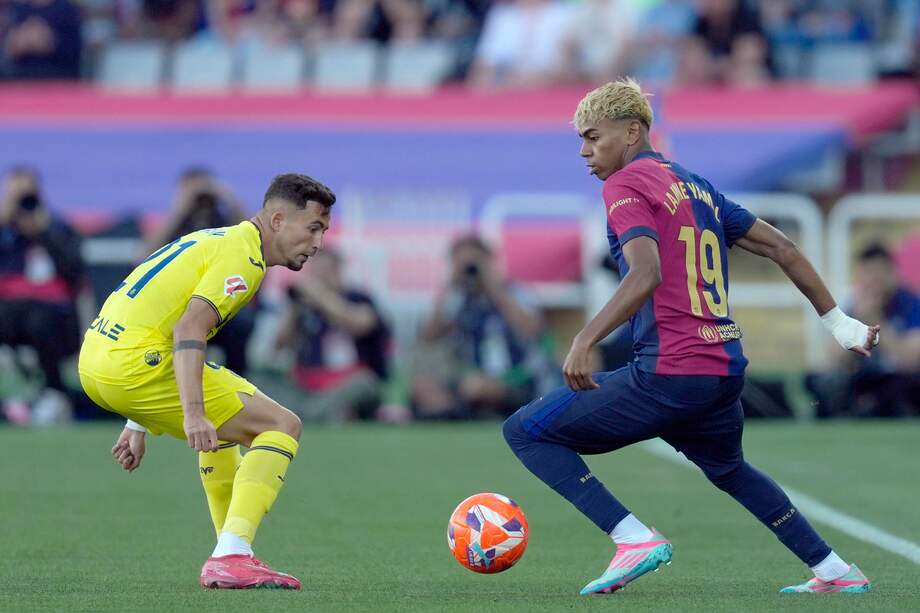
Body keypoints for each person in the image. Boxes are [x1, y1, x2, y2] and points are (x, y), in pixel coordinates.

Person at [502, 78, 879, 596]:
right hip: (722, 368)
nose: (585, 152)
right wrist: (840, 324)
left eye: (593, 137)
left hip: (671, 369)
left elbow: (645, 273)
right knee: (729, 470)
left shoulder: (625, 185)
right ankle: (836, 570)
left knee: (526, 430)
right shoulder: (698, 187)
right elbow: (783, 247)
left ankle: (632, 538)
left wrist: (584, 338)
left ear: (632, 131)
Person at [78, 173, 336, 590]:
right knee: (281, 424)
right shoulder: (244, 259)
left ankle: (231, 553)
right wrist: (194, 413)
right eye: (313, 228)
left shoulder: (216, 239)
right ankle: (232, 554)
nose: (318, 243)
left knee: (233, 417)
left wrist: (136, 420)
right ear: (276, 220)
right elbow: (188, 328)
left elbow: (155, 309)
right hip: (135, 364)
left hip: (96, 358)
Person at [411, 234, 549, 419]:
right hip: (468, 378)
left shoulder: (514, 291)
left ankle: (459, 411)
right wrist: (449, 287)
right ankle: (454, 412)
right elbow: (429, 335)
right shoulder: (458, 298)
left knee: (475, 389)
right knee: (424, 387)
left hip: (515, 379)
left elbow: (531, 329)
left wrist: (494, 287)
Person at [143, 167, 254, 376]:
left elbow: (256, 241)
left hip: (219, 308)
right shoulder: (174, 224)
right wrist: (180, 208)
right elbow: (143, 257)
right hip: (176, 308)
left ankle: (237, 385)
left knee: (243, 324)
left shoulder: (226, 222)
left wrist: (227, 196)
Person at [0, 166, 84, 424]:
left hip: (51, 312)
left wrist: (45, 230)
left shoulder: (56, 227)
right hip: (8, 309)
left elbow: (75, 271)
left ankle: (54, 390)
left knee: (39, 319)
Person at [272, 248, 391, 422]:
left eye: (325, 271)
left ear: (337, 270)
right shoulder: (305, 305)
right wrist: (294, 307)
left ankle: (307, 414)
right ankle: (316, 413)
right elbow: (279, 345)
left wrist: (321, 296)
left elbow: (359, 324)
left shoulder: (358, 298)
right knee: (261, 377)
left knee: (364, 383)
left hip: (347, 382)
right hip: (307, 386)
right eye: (316, 271)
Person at [807, 242, 920, 417]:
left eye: (879, 272)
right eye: (868, 272)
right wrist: (858, 322)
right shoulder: (852, 303)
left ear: (892, 273)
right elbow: (833, 359)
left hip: (896, 378)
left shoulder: (910, 302)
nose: (874, 280)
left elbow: (910, 360)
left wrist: (876, 321)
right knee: (815, 380)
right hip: (861, 377)